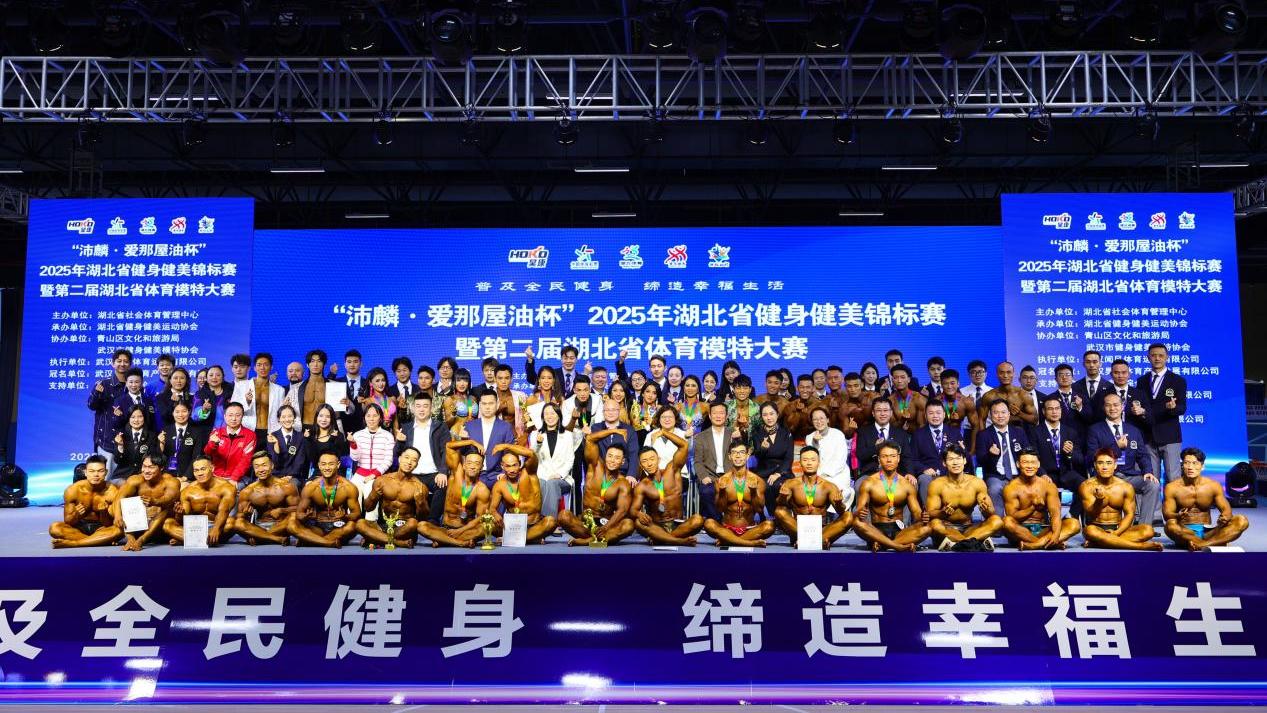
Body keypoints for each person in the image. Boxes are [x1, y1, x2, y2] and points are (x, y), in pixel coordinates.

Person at [1084, 392, 1160, 523]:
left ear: (1123, 406)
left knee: (1152, 485)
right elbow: (1092, 457)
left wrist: (1148, 471)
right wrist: (1116, 447)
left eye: (1116, 405)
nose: (1112, 408)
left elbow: (1143, 455)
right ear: (1103, 408)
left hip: (1129, 476)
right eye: (1108, 405)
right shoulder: (1095, 430)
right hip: (1105, 478)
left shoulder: (1134, 430)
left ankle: (1144, 526)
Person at [1162, 447, 1249, 550]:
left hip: (1209, 532)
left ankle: (1201, 544)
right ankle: (1214, 542)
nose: (1190, 467)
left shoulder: (1213, 485)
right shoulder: (1172, 487)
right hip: (1184, 531)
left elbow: (1227, 510)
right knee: (1170, 526)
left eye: (1195, 463)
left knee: (1241, 520)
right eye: (1186, 463)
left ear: (1202, 466)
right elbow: (1167, 514)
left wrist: (1224, 517)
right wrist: (1178, 515)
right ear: (1182, 466)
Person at [852, 441, 931, 552]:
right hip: (876, 530)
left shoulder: (907, 485)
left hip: (900, 531)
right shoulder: (869, 483)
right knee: (857, 522)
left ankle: (883, 544)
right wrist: (859, 513)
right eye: (884, 456)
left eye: (893, 456)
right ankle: (897, 546)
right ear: (879, 459)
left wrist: (923, 516)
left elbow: (916, 513)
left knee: (928, 527)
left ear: (898, 458)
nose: (889, 460)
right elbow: (859, 510)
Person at [556, 437, 636, 546]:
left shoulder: (623, 483)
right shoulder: (595, 468)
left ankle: (587, 541)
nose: (612, 460)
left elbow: (623, 510)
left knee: (629, 525)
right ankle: (599, 540)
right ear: (605, 456)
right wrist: (614, 432)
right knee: (563, 516)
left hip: (606, 525)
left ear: (622, 461)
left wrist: (606, 527)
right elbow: (589, 439)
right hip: (586, 525)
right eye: (610, 456)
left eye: (617, 458)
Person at [1079, 448, 1162, 551]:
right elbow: (1091, 513)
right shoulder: (1086, 486)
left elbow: (1129, 514)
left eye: (1109, 463)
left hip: (1119, 530)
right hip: (1096, 529)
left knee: (1148, 530)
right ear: (1095, 465)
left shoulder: (1125, 487)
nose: (1105, 467)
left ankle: (1100, 543)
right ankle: (1140, 546)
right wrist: (1099, 500)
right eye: (1100, 463)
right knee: (1090, 531)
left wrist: (1116, 533)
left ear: (1115, 465)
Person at [629, 431, 704, 546]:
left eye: (652, 459)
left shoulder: (672, 470)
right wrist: (639, 514)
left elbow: (684, 445)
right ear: (640, 465)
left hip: (678, 524)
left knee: (698, 520)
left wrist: (663, 432)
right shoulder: (642, 486)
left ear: (658, 459)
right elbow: (633, 510)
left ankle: (661, 539)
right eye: (644, 461)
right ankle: (677, 540)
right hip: (657, 526)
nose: (649, 464)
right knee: (638, 523)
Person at [772, 446, 854, 548]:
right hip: (797, 529)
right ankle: (818, 541)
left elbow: (841, 512)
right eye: (805, 460)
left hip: (821, 530)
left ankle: (810, 540)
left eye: (813, 460)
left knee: (848, 516)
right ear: (800, 463)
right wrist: (782, 497)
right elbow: (780, 505)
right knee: (779, 511)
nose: (809, 463)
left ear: (819, 462)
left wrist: (838, 503)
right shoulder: (790, 484)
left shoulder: (829, 486)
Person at [925, 444, 1003, 550]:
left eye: (958, 458)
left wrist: (986, 509)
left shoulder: (976, 482)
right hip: (947, 528)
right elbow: (930, 513)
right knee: (934, 524)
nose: (955, 463)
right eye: (951, 459)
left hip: (969, 528)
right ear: (944, 463)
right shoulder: (937, 484)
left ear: (964, 460)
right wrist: (942, 513)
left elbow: (991, 513)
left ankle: (958, 544)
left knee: (997, 520)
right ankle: (974, 542)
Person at [1002, 448, 1082, 550]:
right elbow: (1013, 516)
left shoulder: (1048, 486)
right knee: (1006, 522)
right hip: (1020, 531)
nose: (1029, 466)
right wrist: (1032, 508)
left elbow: (1055, 514)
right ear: (1018, 464)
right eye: (1025, 462)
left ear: (1038, 464)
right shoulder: (1010, 488)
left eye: (1033, 462)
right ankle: (1046, 543)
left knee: (1074, 524)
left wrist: (1056, 534)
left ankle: (1035, 545)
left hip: (1043, 529)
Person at [356, 447, 433, 548]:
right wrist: (373, 496)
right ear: (400, 459)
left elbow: (422, 519)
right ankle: (398, 542)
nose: (409, 462)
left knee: (413, 523)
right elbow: (368, 508)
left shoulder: (420, 487)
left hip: (404, 528)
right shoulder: (382, 480)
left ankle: (377, 538)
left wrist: (421, 503)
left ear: (417, 464)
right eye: (406, 457)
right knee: (360, 523)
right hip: (383, 526)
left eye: (414, 460)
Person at [702, 442, 777, 547]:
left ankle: (729, 541)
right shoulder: (721, 480)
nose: (738, 456)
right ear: (729, 456)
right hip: (727, 529)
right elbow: (720, 509)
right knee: (708, 523)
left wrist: (753, 492)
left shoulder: (758, 481)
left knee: (769, 526)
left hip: (750, 529)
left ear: (747, 455)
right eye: (734, 452)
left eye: (741, 452)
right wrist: (722, 492)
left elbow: (759, 509)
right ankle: (747, 542)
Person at [486, 444, 560, 544]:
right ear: (502, 466)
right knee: (485, 522)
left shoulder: (529, 473)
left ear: (520, 464)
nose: (512, 470)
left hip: (534, 524)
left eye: (514, 465)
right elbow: (492, 509)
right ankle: (532, 538)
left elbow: (531, 453)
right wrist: (495, 514)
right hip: (513, 527)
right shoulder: (499, 485)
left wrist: (506, 446)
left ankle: (512, 539)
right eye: (508, 466)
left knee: (551, 522)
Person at [395, 395, 452, 522]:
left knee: (443, 485)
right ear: (413, 409)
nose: (421, 409)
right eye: (418, 406)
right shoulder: (406, 427)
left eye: (425, 406)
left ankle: (432, 521)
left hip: (433, 473)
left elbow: (446, 451)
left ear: (431, 408)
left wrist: (443, 471)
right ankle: (407, 520)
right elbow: (397, 454)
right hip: (411, 474)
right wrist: (399, 442)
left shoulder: (440, 427)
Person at [289, 452, 361, 548]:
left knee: (353, 525)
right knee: (292, 522)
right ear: (319, 465)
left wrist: (345, 517)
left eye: (331, 464)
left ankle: (311, 540)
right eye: (323, 464)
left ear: (338, 465)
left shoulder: (349, 488)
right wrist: (305, 516)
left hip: (339, 526)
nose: (327, 468)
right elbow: (299, 513)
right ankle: (329, 542)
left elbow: (357, 513)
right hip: (317, 527)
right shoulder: (310, 488)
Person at [163, 454, 237, 546]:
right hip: (195, 527)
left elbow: (223, 511)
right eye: (196, 470)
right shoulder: (188, 491)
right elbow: (183, 519)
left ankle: (188, 540)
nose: (199, 473)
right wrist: (179, 513)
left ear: (212, 468)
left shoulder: (227, 488)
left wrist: (216, 529)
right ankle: (207, 541)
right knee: (168, 524)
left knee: (231, 523)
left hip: (217, 525)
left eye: (203, 469)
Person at [112, 453, 181, 551]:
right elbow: (119, 497)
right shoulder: (135, 480)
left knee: (167, 507)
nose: (146, 471)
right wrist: (117, 516)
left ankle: (142, 539)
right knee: (118, 507)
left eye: (151, 467)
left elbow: (170, 498)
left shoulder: (171, 481)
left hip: (159, 526)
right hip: (138, 524)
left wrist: (155, 501)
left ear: (161, 468)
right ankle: (131, 539)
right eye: (144, 466)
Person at [50, 455, 123, 548]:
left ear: (106, 472)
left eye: (100, 471)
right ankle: (100, 541)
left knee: (120, 530)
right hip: (79, 528)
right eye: (91, 471)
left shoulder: (113, 492)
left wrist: (103, 513)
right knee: (55, 528)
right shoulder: (73, 490)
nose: (96, 475)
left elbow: (110, 523)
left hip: (102, 529)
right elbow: (68, 521)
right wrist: (76, 514)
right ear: (86, 472)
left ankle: (75, 543)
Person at [1140, 343, 1187, 484]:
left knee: (1173, 478)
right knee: (1151, 480)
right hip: (1148, 436)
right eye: (1153, 355)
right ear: (1148, 358)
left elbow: (1182, 408)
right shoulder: (1141, 381)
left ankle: (1172, 501)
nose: (1157, 358)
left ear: (1167, 357)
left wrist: (1172, 408)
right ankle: (1154, 501)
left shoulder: (1178, 380)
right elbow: (1142, 407)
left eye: (1161, 355)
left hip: (1170, 436)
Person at [422, 442, 486, 547]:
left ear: (482, 467)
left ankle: (442, 540)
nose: (472, 467)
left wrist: (460, 531)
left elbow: (480, 517)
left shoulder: (482, 490)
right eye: (469, 463)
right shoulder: (456, 474)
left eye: (477, 463)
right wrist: (471, 442)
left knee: (485, 528)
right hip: (445, 528)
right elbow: (448, 446)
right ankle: (460, 543)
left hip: (465, 530)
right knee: (422, 526)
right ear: (464, 465)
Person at [975, 398, 1032, 516]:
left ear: (1009, 414)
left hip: (1019, 475)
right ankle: (997, 521)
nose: (1000, 416)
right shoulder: (983, 435)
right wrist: (990, 455)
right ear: (990, 415)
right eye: (996, 412)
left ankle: (1021, 520)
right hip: (996, 476)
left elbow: (1029, 454)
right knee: (994, 488)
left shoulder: (1019, 432)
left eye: (1003, 412)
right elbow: (980, 461)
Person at [234, 452, 300, 546]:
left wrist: (282, 510)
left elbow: (299, 510)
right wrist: (245, 514)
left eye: (264, 465)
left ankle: (261, 538)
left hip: (281, 526)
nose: (261, 470)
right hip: (259, 527)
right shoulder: (247, 492)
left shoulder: (286, 487)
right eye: (257, 467)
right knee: (238, 523)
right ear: (254, 469)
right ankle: (275, 539)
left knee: (294, 517)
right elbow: (239, 516)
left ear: (272, 466)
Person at [1033, 396, 1086, 507]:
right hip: (1047, 474)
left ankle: (1072, 515)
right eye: (1050, 409)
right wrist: (1042, 474)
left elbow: (1080, 459)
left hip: (1067, 474)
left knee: (1085, 486)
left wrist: (1071, 453)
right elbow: (1033, 458)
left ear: (1061, 411)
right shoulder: (1036, 432)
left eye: (1057, 408)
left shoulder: (1070, 432)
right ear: (1043, 411)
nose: (1054, 412)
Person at [88, 348, 133, 476]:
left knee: (125, 481)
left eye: (126, 361)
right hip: (106, 440)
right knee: (105, 478)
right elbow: (91, 406)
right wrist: (96, 393)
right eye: (119, 361)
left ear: (130, 364)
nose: (122, 364)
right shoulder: (103, 384)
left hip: (128, 441)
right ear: (113, 363)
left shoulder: (134, 385)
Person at [913, 400, 965, 503]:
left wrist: (964, 451)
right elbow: (912, 459)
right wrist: (924, 469)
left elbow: (963, 458)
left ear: (944, 414)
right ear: (925, 416)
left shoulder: (954, 433)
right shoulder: (918, 434)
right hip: (929, 476)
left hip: (950, 474)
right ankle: (928, 511)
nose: (935, 416)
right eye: (931, 413)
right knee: (924, 479)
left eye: (938, 413)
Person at [462, 391, 518, 486]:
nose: (487, 407)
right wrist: (462, 440)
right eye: (484, 404)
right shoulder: (469, 426)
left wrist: (504, 473)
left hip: (497, 475)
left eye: (491, 403)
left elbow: (510, 452)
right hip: (474, 476)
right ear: (480, 405)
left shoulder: (506, 427)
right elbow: (463, 453)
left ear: (497, 404)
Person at [349, 403, 395, 517]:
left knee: (370, 490)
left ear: (380, 418)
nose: (371, 419)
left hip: (378, 474)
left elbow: (388, 460)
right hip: (360, 472)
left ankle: (370, 522)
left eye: (375, 415)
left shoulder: (388, 436)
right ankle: (353, 519)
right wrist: (353, 444)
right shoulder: (358, 435)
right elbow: (355, 458)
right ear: (364, 417)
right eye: (368, 416)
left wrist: (374, 474)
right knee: (352, 490)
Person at [532, 403, 577, 519]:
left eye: (552, 413)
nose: (549, 416)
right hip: (542, 476)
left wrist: (560, 474)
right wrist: (538, 443)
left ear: (558, 415)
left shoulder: (567, 435)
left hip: (562, 478)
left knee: (552, 483)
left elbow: (570, 459)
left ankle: (548, 520)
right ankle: (542, 520)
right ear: (543, 417)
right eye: (546, 414)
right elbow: (532, 457)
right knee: (541, 483)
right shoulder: (535, 434)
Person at [692, 401, 733, 520]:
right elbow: (698, 461)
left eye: (721, 413)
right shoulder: (700, 437)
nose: (718, 416)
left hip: (730, 476)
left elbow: (739, 458)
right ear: (710, 416)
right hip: (710, 476)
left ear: (726, 416)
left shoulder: (733, 434)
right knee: (706, 492)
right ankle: (719, 521)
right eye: (715, 413)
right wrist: (703, 476)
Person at [752, 402, 794, 515]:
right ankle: (771, 516)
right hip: (764, 471)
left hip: (783, 471)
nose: (769, 417)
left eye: (771, 414)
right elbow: (758, 456)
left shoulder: (786, 433)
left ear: (777, 414)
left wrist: (778, 473)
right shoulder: (757, 433)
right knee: (767, 486)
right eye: (765, 415)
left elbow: (789, 458)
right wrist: (763, 448)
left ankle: (783, 515)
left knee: (779, 485)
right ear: (761, 417)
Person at [854, 399, 912, 479]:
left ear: (891, 413)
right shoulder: (863, 432)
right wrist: (875, 447)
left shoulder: (901, 433)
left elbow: (907, 458)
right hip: (870, 475)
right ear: (873, 413)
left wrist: (910, 473)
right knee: (859, 484)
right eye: (878, 410)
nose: (882, 414)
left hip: (897, 474)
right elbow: (861, 455)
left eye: (885, 410)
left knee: (911, 483)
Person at [203, 402, 257, 486]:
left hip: (238, 478)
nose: (233, 419)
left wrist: (234, 478)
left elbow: (246, 460)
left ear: (242, 416)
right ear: (225, 416)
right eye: (230, 415)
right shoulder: (217, 432)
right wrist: (212, 444)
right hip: (215, 475)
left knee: (231, 492)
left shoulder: (250, 435)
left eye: (237, 415)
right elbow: (207, 453)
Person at [1093, 358, 1151, 432]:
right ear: (1111, 374)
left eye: (1124, 372)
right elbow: (1097, 419)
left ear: (1129, 374)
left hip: (1134, 435)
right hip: (1109, 435)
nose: (1120, 376)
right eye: (1116, 373)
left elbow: (1151, 421)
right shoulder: (1102, 395)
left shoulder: (1140, 394)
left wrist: (1143, 412)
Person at [804, 406, 851, 496]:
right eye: (815, 419)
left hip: (837, 474)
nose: (819, 422)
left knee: (834, 495)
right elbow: (812, 459)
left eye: (821, 418)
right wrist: (815, 443)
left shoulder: (838, 434)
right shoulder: (809, 437)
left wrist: (824, 475)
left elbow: (840, 460)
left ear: (828, 420)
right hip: (817, 476)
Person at [975, 362, 1038, 429]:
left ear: (1013, 374)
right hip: (996, 433)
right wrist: (984, 435)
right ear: (997, 374)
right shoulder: (989, 396)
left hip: (1018, 433)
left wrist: (1020, 414)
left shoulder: (1023, 395)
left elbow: (1035, 420)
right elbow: (981, 420)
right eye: (1002, 372)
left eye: (1009, 372)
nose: (1005, 376)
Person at [241, 352, 287, 442]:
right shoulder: (242, 386)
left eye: (266, 364)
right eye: (259, 365)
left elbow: (281, 413)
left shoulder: (279, 390)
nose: (262, 368)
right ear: (254, 368)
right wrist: (247, 402)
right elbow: (235, 409)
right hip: (248, 430)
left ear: (271, 367)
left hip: (271, 432)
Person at [590, 398, 639, 477]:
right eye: (607, 410)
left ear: (619, 411)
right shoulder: (596, 428)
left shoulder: (629, 430)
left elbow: (633, 454)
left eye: (613, 410)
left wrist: (631, 475)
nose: (610, 413)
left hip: (623, 472)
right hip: (601, 473)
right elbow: (590, 451)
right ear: (603, 412)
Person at [112, 404, 160, 483]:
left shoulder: (152, 435)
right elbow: (117, 460)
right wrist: (120, 446)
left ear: (144, 418)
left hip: (143, 475)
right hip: (123, 475)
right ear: (129, 418)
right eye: (133, 417)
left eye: (140, 417)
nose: (136, 420)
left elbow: (153, 459)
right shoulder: (121, 435)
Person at [266, 404, 309, 488]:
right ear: (279, 419)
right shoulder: (272, 436)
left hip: (294, 476)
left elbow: (300, 461)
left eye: (290, 416)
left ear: (294, 417)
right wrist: (276, 444)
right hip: (275, 475)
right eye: (283, 417)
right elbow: (273, 462)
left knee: (291, 486)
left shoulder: (300, 436)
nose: (287, 419)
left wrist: (290, 476)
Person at [162, 401, 206, 482]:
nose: (180, 415)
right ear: (172, 413)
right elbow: (160, 456)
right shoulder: (165, 431)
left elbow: (196, 457)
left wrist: (186, 477)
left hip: (188, 477)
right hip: (167, 475)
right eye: (177, 412)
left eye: (184, 411)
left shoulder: (197, 432)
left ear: (189, 412)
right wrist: (161, 444)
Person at [305, 404, 348, 478]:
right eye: (321, 416)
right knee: (308, 484)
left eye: (328, 417)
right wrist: (308, 440)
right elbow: (313, 460)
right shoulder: (310, 435)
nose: (324, 419)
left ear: (332, 419)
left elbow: (337, 458)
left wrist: (333, 440)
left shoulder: (338, 435)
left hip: (335, 472)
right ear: (316, 417)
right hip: (318, 472)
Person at [331, 349, 368, 433]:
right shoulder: (337, 382)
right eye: (349, 362)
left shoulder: (367, 383)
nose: (352, 365)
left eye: (355, 361)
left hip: (362, 428)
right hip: (341, 428)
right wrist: (332, 375)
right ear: (345, 364)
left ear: (361, 364)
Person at [110, 368, 155, 433]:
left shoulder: (148, 400)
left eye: (137, 382)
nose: (133, 385)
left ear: (142, 382)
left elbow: (152, 422)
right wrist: (118, 417)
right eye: (131, 382)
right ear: (126, 383)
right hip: (127, 437)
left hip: (147, 437)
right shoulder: (119, 401)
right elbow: (116, 426)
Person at [523, 366, 563, 437]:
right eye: (543, 378)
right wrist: (527, 422)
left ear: (554, 380)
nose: (546, 381)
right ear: (539, 380)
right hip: (537, 438)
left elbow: (563, 423)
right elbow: (527, 429)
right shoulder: (531, 400)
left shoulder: (559, 399)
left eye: (549, 378)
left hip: (557, 437)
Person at [780, 374, 822, 440]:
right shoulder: (790, 406)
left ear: (813, 388)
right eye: (802, 387)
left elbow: (825, 428)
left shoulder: (820, 405)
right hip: (795, 442)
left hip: (817, 441)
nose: (805, 390)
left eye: (808, 387)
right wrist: (798, 414)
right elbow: (789, 429)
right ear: (797, 388)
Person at [295, 349, 330, 429]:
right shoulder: (297, 388)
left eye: (319, 361)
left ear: (324, 364)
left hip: (326, 428)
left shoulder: (333, 386)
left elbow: (342, 411)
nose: (315, 364)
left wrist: (347, 404)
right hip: (305, 427)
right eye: (312, 361)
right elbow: (286, 409)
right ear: (307, 364)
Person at [491, 363, 527, 439]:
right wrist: (498, 410)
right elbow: (482, 421)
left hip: (516, 437)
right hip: (495, 439)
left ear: (511, 379)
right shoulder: (488, 397)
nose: (503, 381)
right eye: (500, 378)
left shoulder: (520, 396)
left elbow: (527, 417)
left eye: (507, 378)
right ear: (495, 379)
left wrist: (525, 435)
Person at [886, 365, 927, 432]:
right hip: (897, 436)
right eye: (895, 378)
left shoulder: (918, 398)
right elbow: (891, 428)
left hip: (917, 436)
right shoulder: (890, 401)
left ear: (909, 379)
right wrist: (902, 420)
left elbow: (922, 426)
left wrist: (909, 429)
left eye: (902, 377)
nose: (899, 381)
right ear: (892, 380)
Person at [192, 364, 231, 435]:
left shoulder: (230, 392)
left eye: (218, 375)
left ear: (223, 377)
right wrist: (204, 410)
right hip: (206, 434)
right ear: (206, 378)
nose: (214, 377)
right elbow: (194, 416)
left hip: (227, 433)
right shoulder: (200, 394)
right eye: (211, 375)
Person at [357, 367, 398, 431]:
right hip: (376, 434)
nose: (381, 384)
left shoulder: (393, 399)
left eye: (383, 380)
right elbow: (366, 423)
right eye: (377, 381)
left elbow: (395, 421)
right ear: (370, 383)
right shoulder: (367, 401)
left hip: (390, 434)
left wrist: (397, 435)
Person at [154, 366, 193, 432]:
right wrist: (172, 402)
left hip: (189, 432)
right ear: (170, 380)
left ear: (186, 380)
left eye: (182, 378)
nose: (179, 381)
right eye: (175, 378)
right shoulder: (161, 397)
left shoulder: (191, 397)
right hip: (168, 433)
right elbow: (165, 416)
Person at [1072, 349, 1106, 424]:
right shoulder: (1074, 387)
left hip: (1102, 428)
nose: (1091, 365)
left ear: (1100, 364)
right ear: (1083, 364)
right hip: (1080, 427)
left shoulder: (1109, 387)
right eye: (1088, 362)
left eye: (1095, 362)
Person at [725, 374, 760, 444]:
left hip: (751, 448)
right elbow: (720, 429)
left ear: (750, 389)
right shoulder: (726, 406)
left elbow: (760, 430)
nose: (742, 391)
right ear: (733, 389)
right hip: (729, 446)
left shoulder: (757, 408)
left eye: (745, 388)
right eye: (738, 388)